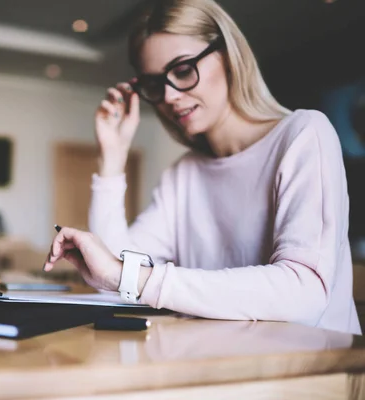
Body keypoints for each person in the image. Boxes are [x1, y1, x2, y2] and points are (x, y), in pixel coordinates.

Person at [43, 0, 362, 335]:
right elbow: (107, 276)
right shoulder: (184, 174)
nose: (168, 96)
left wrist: (132, 277)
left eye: (182, 70)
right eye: (154, 84)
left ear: (228, 57)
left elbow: (303, 294)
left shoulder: (303, 134)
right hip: (221, 363)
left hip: (317, 375)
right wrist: (113, 157)